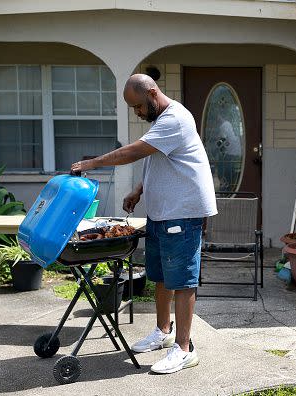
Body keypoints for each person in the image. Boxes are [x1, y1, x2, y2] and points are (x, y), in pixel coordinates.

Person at [71, 74, 217, 373]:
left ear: (152, 93)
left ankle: (184, 348)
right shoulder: (160, 122)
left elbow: (135, 151)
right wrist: (138, 190)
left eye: (138, 106)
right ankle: (163, 333)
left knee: (183, 280)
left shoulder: (175, 118)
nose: (136, 112)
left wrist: (92, 163)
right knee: (161, 276)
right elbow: (154, 158)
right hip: (162, 212)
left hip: (183, 211)